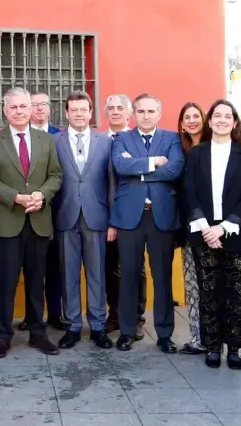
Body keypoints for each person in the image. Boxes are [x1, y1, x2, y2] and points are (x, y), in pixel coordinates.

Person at [0, 87, 63, 359]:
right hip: (7, 222)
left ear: (31, 109)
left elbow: (56, 175)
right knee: (5, 281)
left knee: (36, 280)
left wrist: (42, 194)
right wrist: (15, 197)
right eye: (13, 107)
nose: (19, 111)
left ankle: (38, 333)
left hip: (39, 220)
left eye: (23, 106)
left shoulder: (46, 140)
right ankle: (3, 335)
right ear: (5, 110)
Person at [184, 100, 241, 369]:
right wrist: (206, 228)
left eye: (228, 116)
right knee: (208, 292)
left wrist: (223, 227)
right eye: (218, 115)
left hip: (236, 234)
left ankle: (235, 348)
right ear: (210, 121)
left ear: (235, 122)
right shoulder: (197, 154)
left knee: (235, 293)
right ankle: (212, 346)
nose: (223, 120)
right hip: (204, 234)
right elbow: (189, 192)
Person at [110, 93, 184, 353]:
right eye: (140, 111)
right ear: (134, 113)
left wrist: (138, 170)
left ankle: (164, 335)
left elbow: (175, 170)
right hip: (129, 217)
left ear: (159, 112)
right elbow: (120, 166)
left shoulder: (172, 138)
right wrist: (154, 163)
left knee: (162, 277)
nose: (146, 115)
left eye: (151, 111)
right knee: (129, 276)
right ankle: (127, 331)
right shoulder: (121, 138)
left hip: (161, 216)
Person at [53, 91, 112, 350]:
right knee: (68, 274)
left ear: (91, 113)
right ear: (66, 113)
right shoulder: (55, 142)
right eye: (73, 110)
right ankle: (73, 326)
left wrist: (113, 221)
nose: (78, 114)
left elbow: (112, 181)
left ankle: (98, 326)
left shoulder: (106, 142)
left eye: (83, 109)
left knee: (97, 274)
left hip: (97, 216)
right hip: (65, 216)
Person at [18, 91, 63, 332]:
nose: (39, 109)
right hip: (25, 212)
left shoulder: (60, 137)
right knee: (31, 268)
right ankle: (31, 315)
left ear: (50, 108)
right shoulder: (19, 137)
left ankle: (55, 313)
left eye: (43, 104)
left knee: (55, 266)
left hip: (55, 212)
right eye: (34, 105)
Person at [102, 94, 146, 337]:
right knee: (110, 267)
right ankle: (115, 314)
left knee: (135, 266)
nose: (116, 111)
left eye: (121, 108)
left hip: (134, 214)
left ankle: (137, 317)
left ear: (129, 113)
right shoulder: (99, 141)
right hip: (105, 216)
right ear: (105, 112)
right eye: (111, 108)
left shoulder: (138, 140)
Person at [176, 102, 207, 356]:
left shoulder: (216, 146)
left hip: (217, 228)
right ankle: (198, 338)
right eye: (188, 117)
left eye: (197, 116)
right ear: (182, 123)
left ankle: (217, 337)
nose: (193, 120)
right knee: (193, 283)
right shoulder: (179, 148)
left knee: (215, 284)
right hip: (190, 228)